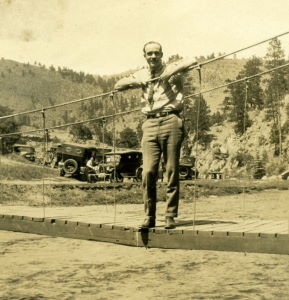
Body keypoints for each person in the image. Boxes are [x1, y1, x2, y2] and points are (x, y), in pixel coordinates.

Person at [114, 41, 197, 229]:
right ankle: (149, 216)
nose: (153, 57)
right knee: (148, 171)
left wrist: (170, 72)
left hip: (171, 120)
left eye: (156, 53)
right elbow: (118, 85)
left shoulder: (172, 68)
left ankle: (170, 215)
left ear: (162, 55)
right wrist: (136, 82)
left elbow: (192, 60)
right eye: (149, 53)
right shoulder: (142, 73)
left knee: (171, 169)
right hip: (150, 123)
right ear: (145, 56)